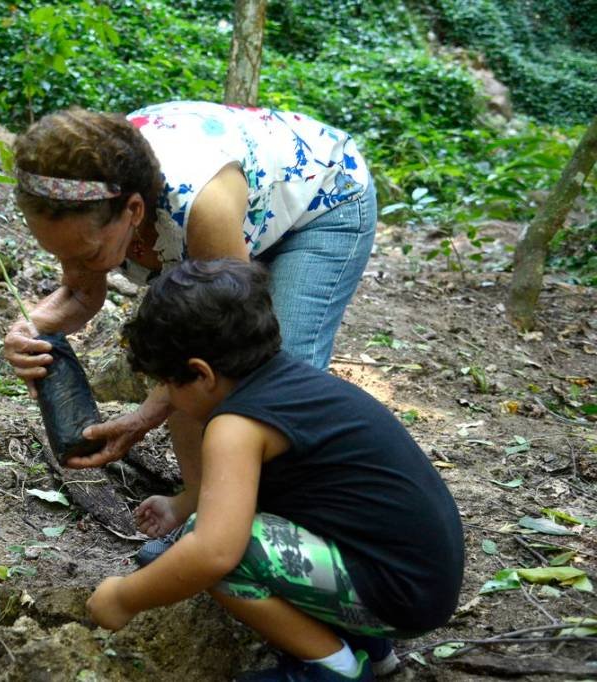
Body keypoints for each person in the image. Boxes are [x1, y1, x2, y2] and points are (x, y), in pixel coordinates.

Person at [84, 258, 464, 681]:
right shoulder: (286, 383)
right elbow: (277, 492)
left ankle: (330, 667)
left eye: (169, 385)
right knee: (228, 526)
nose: (168, 398)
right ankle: (368, 648)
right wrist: (184, 503)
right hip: (418, 579)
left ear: (201, 374)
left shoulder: (236, 426)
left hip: (398, 596)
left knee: (215, 547)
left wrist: (123, 598)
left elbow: (214, 552)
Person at [4, 101, 377, 472]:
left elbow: (226, 341)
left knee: (275, 383)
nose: (73, 268)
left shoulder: (201, 208)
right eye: (60, 254)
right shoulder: (88, 202)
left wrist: (146, 414)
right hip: (242, 205)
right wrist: (35, 329)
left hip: (321, 195)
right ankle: (200, 505)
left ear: (133, 211)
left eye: (85, 254)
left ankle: (281, 512)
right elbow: (81, 294)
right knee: (183, 360)